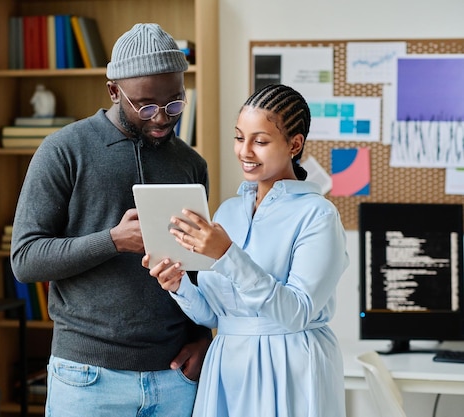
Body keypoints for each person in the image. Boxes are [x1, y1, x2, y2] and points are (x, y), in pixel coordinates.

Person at [11, 23, 212, 417]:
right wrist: (113, 240)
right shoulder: (63, 150)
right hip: (87, 380)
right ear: (114, 91)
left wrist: (204, 340)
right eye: (147, 106)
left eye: (174, 104)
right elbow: (26, 259)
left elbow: (198, 272)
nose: (162, 118)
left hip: (174, 379)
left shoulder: (191, 164)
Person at [143, 84, 349, 417]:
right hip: (227, 364)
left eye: (261, 141)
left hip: (290, 365)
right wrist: (178, 285)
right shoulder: (228, 212)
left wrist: (227, 255)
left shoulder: (318, 215)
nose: (245, 151)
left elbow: (296, 312)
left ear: (295, 144)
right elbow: (215, 315)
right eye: (240, 138)